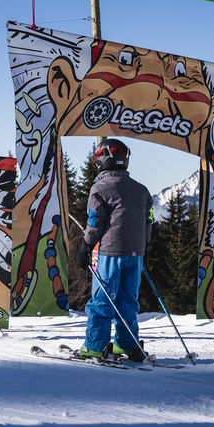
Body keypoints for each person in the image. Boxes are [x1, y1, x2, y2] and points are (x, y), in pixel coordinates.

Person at [75, 138, 153, 361]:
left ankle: (95, 345)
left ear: (102, 160)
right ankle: (126, 344)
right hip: (135, 253)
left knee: (102, 300)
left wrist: (85, 247)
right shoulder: (141, 190)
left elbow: (95, 222)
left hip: (109, 253)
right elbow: (148, 221)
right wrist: (144, 246)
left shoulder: (100, 188)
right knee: (128, 300)